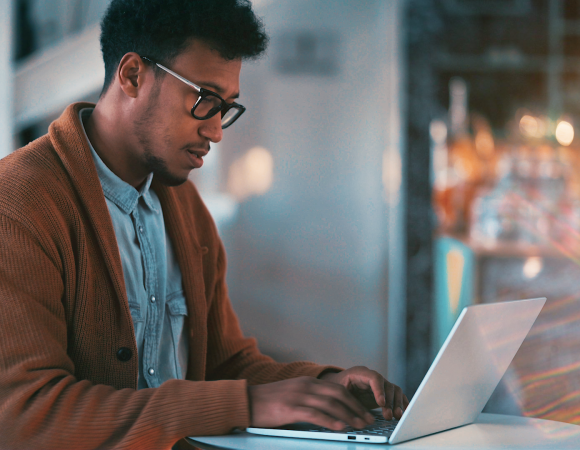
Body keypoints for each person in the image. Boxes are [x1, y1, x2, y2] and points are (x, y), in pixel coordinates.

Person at [0, 0, 408, 449]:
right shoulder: (19, 203)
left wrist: (325, 385)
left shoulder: (182, 203)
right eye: (204, 100)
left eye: (226, 108)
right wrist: (244, 404)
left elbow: (223, 365)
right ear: (133, 75)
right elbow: (26, 415)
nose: (216, 131)